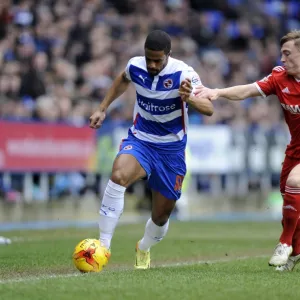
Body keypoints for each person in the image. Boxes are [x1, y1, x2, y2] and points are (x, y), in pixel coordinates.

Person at [89, 30, 213, 269]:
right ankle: (102, 247)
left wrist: (190, 99)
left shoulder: (184, 74)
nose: (153, 65)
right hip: (141, 140)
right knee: (118, 176)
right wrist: (102, 108)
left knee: (160, 216)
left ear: (169, 55)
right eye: (149, 59)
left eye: (158, 60)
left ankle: (143, 247)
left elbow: (208, 108)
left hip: (171, 150)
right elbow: (123, 79)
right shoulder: (135, 66)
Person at [179, 30, 300, 272]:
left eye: (287, 53)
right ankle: (296, 252)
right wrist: (218, 92)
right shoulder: (279, 78)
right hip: (295, 150)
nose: (282, 59)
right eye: (281, 54)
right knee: (291, 202)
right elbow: (247, 90)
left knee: (295, 183)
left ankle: (284, 244)